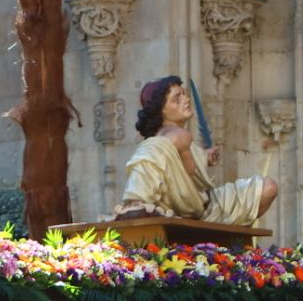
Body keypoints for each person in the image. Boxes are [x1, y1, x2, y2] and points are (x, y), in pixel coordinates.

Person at [115, 76, 277, 225]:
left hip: (207, 209)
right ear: (161, 110)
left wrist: (205, 157)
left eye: (184, 95)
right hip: (202, 212)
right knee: (268, 187)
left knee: (264, 190)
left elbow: (185, 168)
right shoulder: (159, 145)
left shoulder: (173, 140)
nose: (185, 100)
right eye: (176, 99)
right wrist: (137, 200)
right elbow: (172, 167)